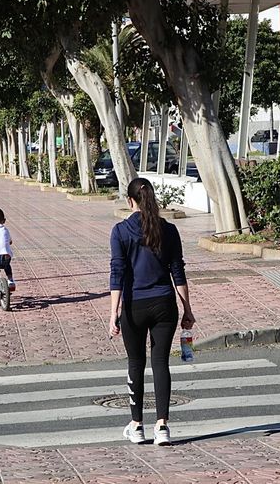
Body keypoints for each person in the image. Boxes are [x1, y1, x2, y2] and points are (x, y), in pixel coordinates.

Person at [109, 178, 195, 446]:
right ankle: (162, 427)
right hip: (164, 304)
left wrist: (113, 313)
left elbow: (117, 272)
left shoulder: (120, 231)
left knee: (136, 363)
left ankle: (137, 425)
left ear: (130, 201)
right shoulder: (168, 230)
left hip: (134, 305)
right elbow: (177, 271)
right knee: (160, 363)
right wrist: (187, 308)